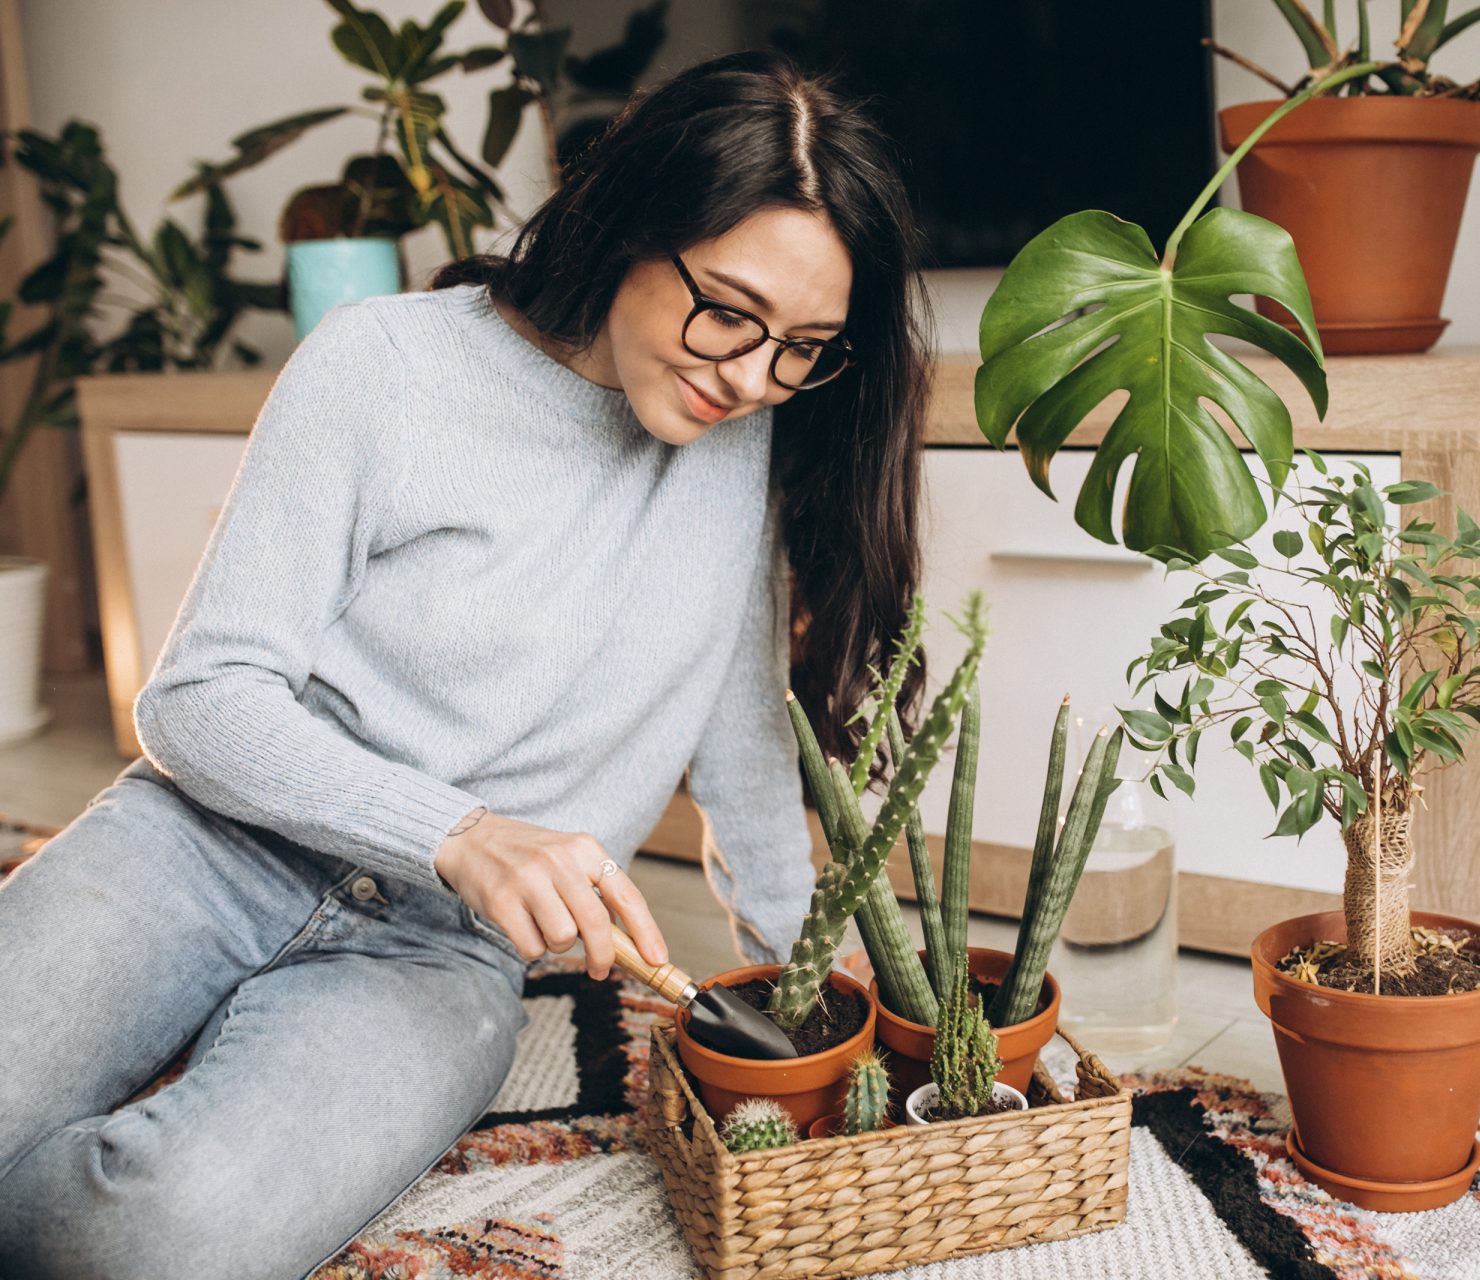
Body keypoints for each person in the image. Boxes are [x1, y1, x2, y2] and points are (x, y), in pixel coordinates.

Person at [0, 50, 931, 1279]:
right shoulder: (383, 365)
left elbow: (746, 735)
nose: (753, 377)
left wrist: (811, 974)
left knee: (138, 1241)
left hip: (439, 951)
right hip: (203, 842)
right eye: (730, 312)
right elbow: (197, 697)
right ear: (633, 227)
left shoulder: (742, 435)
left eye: (804, 346)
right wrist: (464, 829)